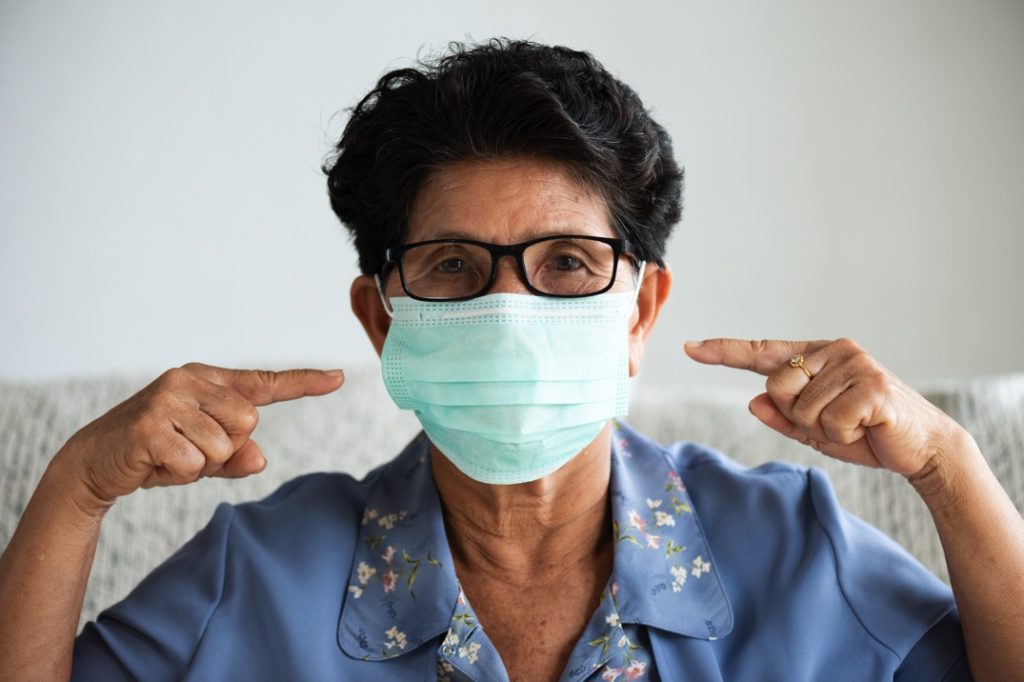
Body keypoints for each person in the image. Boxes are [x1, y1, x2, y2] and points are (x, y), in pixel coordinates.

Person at [0, 38, 1021, 681]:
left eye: (567, 263)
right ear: (380, 316)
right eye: (451, 265)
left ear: (639, 309)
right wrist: (76, 488)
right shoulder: (257, 572)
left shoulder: (793, 549)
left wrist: (948, 467)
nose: (508, 309)